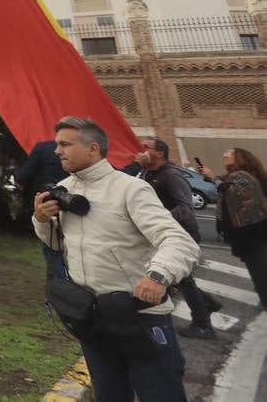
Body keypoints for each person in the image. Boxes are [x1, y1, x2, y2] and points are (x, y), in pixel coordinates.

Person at [33, 117, 200, 402]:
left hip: (140, 318)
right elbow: (57, 244)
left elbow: (179, 241)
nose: (57, 151)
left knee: (161, 394)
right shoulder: (64, 188)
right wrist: (42, 220)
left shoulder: (129, 189)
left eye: (65, 144)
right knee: (109, 395)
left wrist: (157, 275)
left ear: (93, 148)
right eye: (57, 144)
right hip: (93, 318)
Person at [137, 138, 219, 339]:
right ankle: (207, 303)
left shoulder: (171, 175)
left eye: (145, 147)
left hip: (180, 235)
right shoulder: (148, 173)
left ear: (159, 153)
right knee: (182, 279)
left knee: (183, 279)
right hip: (162, 235)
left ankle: (203, 325)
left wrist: (157, 221)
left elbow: (185, 209)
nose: (140, 150)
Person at [197, 147, 267, 307]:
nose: (224, 154)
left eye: (228, 153)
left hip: (249, 231)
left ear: (240, 158)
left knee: (258, 267)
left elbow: (229, 190)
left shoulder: (241, 175)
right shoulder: (241, 175)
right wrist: (209, 176)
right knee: (258, 263)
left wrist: (212, 176)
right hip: (254, 229)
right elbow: (226, 182)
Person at [17, 137, 69, 277]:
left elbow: (23, 177)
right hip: (76, 206)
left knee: (53, 250)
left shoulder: (43, 147)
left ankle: (59, 288)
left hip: (50, 204)